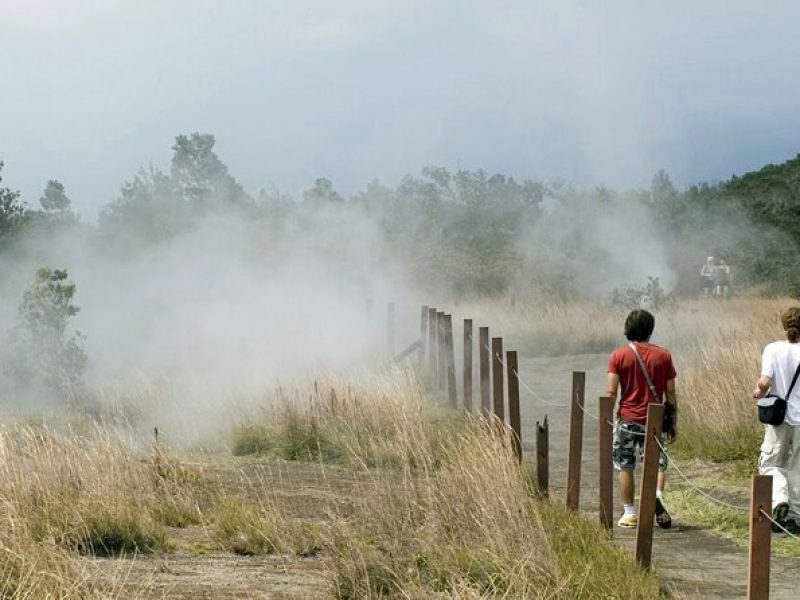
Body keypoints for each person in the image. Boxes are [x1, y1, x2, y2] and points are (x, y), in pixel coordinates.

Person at [606, 309, 678, 528]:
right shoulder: (664, 356)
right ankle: (657, 495)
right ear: (650, 329)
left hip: (628, 418)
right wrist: (672, 422)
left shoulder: (618, 356)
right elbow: (671, 392)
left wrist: (609, 419)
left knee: (625, 464)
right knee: (657, 464)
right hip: (654, 421)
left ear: (628, 328)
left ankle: (629, 512)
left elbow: (611, 391)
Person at [752, 307, 800, 534]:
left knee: (771, 463)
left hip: (779, 417)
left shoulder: (773, 349)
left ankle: (780, 500)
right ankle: (796, 517)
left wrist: (758, 392)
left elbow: (765, 381)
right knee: (798, 468)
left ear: (784, 326)